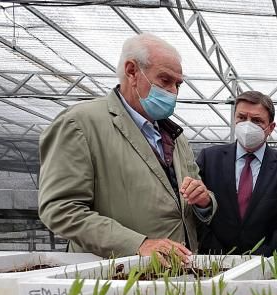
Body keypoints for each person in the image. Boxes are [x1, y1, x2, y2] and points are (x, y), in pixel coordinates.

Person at [38, 34, 216, 260]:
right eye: (165, 80)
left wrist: (204, 201)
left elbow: (189, 198)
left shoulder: (176, 137)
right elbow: (61, 209)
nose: (173, 92)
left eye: (177, 84)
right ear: (132, 71)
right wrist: (138, 244)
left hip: (175, 273)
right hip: (116, 275)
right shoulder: (80, 124)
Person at [195, 91, 277, 255]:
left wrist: (261, 258)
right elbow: (197, 211)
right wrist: (216, 253)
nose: (247, 125)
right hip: (215, 259)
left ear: (270, 127)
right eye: (242, 117)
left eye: (257, 121)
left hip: (265, 263)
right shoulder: (209, 159)